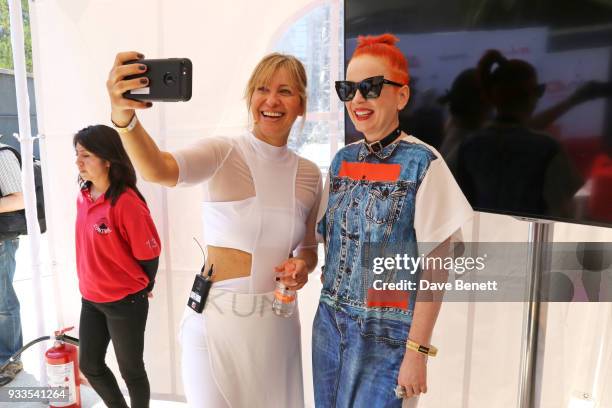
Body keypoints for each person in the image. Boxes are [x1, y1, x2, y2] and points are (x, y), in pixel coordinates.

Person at [106, 52, 321, 407]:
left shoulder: (311, 174)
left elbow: (308, 251)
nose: (271, 100)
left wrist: (303, 267)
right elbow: (159, 169)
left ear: (301, 105)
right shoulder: (224, 151)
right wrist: (124, 116)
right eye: (262, 89)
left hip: (277, 324)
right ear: (250, 97)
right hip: (216, 319)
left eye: (285, 91)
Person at [313, 34, 473, 407]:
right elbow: (327, 242)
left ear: (401, 95)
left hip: (388, 334)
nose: (357, 99)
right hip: (329, 325)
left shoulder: (423, 163)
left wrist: (416, 352)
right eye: (348, 89)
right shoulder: (340, 161)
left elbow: (437, 265)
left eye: (369, 87)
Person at [74, 125, 161, 408]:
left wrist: (145, 284)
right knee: (89, 365)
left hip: (125, 302)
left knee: (131, 371)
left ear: (107, 159)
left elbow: (149, 255)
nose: (78, 162)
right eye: (77, 155)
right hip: (91, 298)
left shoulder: (126, 203)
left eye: (85, 155)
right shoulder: (83, 196)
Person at [0, 141, 25, 386]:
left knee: (3, 303)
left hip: (1, 242)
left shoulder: (3, 154)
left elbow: (19, 199)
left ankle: (9, 360)